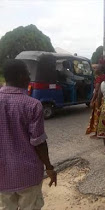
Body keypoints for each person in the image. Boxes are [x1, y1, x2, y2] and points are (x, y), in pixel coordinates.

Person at [0, 60, 57, 209]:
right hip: (28, 174)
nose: (29, 77)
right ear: (20, 76)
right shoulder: (32, 104)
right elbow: (39, 142)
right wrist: (49, 167)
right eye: (27, 73)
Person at [86, 64, 105, 136]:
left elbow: (97, 90)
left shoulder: (99, 78)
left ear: (99, 70)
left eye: (95, 68)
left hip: (99, 98)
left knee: (97, 115)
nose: (94, 70)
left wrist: (92, 100)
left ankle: (97, 133)